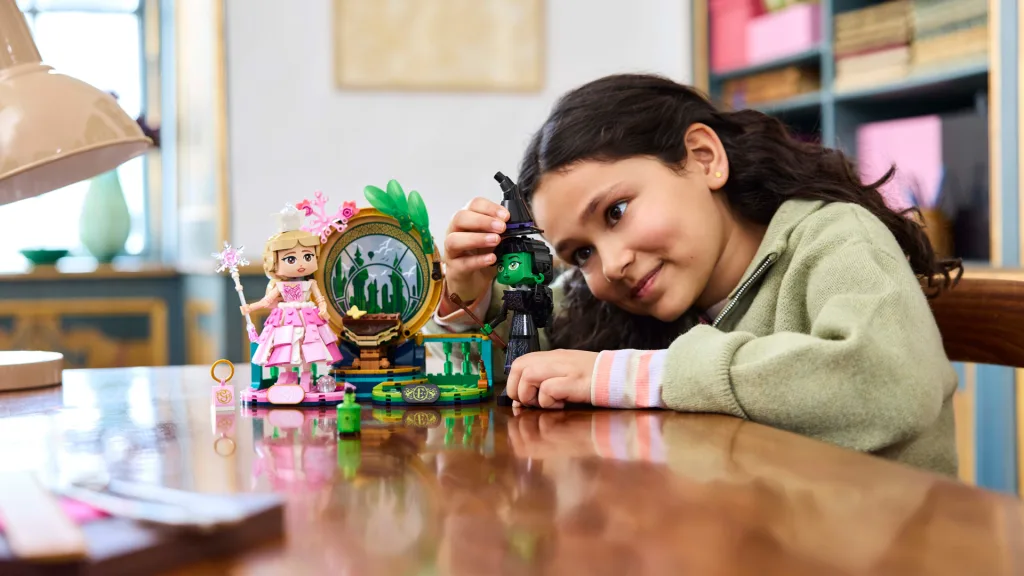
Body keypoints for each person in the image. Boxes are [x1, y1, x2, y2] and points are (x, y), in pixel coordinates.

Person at [424, 73, 961, 476]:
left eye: (616, 212)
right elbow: (530, 371)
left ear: (704, 158)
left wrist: (627, 377)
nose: (611, 264)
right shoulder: (636, 303)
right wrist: (468, 297)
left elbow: (889, 386)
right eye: (581, 255)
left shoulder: (836, 237)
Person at [243, 204, 344, 391]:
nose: (300, 264)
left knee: (309, 344)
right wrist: (251, 307)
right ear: (274, 262)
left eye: (307, 256)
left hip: (308, 316)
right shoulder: (279, 286)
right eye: (290, 259)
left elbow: (320, 299)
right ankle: (287, 374)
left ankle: (306, 374)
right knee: (285, 345)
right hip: (285, 318)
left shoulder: (310, 283)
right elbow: (267, 301)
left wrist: (322, 309)